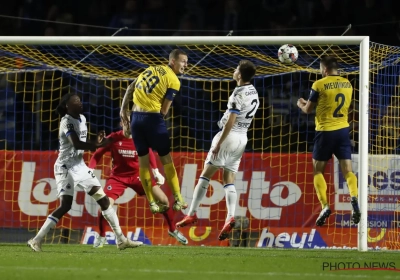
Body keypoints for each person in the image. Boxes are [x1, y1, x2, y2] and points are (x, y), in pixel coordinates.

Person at [27, 93, 142, 252]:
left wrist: (102, 142)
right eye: (75, 101)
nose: (79, 103)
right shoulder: (66, 122)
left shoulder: (82, 118)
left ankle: (121, 239)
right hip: (66, 166)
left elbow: (89, 144)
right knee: (71, 204)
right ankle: (37, 239)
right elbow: (77, 143)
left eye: (80, 100)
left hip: (78, 165)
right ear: (67, 106)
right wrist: (95, 144)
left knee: (100, 201)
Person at [176, 60, 259, 241]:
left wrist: (219, 143)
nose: (234, 69)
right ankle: (230, 216)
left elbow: (231, 121)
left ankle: (192, 213)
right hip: (242, 139)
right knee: (228, 180)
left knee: (205, 175)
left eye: (236, 68)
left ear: (239, 74)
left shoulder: (237, 93)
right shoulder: (254, 91)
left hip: (229, 137)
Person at [88, 119, 188, 247]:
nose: (130, 125)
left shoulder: (139, 138)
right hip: (118, 177)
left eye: (132, 122)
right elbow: (97, 154)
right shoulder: (113, 138)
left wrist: (156, 171)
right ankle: (101, 236)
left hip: (138, 176)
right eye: (127, 122)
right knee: (105, 205)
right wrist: (90, 170)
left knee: (164, 201)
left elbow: (149, 152)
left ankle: (172, 230)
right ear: (122, 123)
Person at [120, 49, 188, 213]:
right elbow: (164, 110)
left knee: (143, 162)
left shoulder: (149, 69)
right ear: (172, 61)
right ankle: (178, 199)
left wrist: (123, 111)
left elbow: (130, 87)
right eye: (183, 61)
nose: (186, 65)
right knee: (166, 159)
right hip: (152, 119)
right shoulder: (173, 80)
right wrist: (158, 122)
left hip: (136, 119)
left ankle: (152, 203)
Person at [296, 56, 361, 226]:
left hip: (325, 132)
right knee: (348, 170)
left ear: (324, 69)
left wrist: (301, 103)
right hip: (343, 131)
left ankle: (325, 206)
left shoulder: (319, 84)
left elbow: (308, 110)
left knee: (318, 171)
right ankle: (354, 199)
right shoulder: (348, 83)